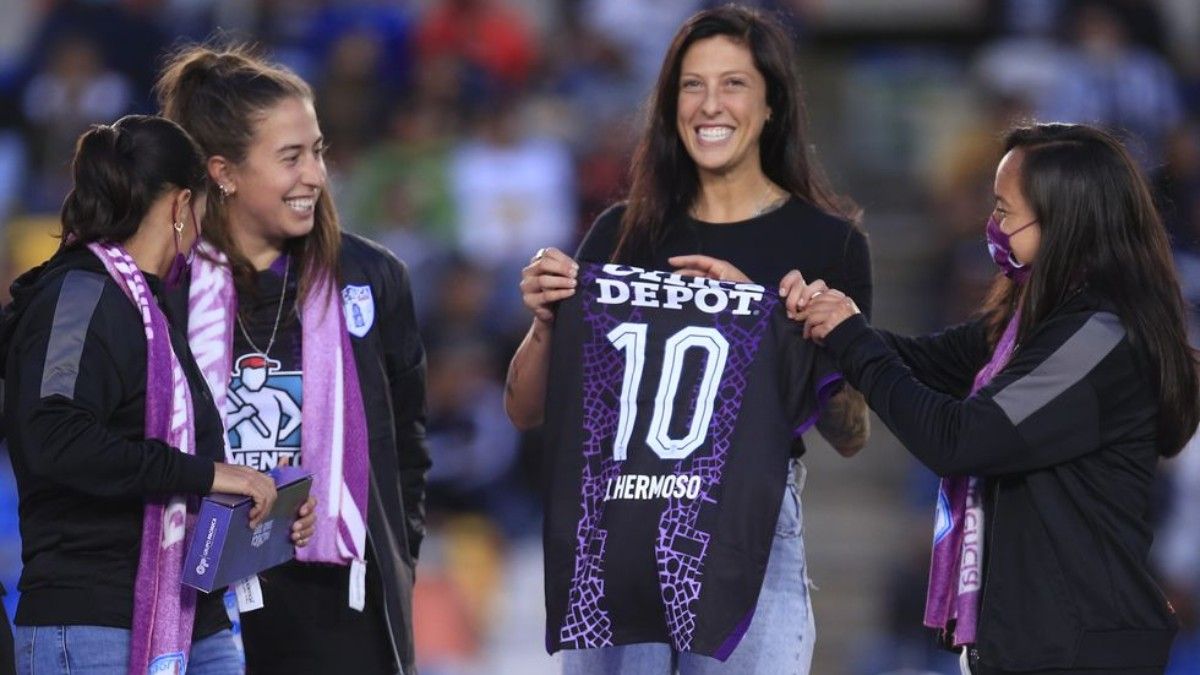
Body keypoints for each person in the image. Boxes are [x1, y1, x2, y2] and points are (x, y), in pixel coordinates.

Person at [504, 6, 871, 673]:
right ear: (670, 103)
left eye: (733, 84)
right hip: (620, 511)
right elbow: (525, 409)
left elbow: (850, 432)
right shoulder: (619, 233)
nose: (710, 104)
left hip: (747, 519)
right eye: (691, 85)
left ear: (771, 105)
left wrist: (768, 329)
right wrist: (545, 322)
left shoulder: (830, 245)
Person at [793, 123, 1198, 674]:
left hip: (1081, 650)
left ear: (1062, 222)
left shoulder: (1099, 338)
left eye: (1005, 211)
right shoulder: (1032, 322)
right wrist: (804, 319)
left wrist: (850, 337)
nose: (992, 226)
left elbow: (960, 441)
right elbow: (922, 360)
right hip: (1030, 644)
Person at [0, 115, 313, 674]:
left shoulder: (154, 310)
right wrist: (210, 474)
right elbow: (56, 437)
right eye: (199, 213)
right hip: (98, 621)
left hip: (196, 618)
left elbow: (175, 468)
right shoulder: (75, 298)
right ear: (178, 206)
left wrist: (263, 513)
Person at [155, 45, 430, 675]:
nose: (315, 175)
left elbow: (408, 442)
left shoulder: (371, 277)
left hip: (344, 607)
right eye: (291, 157)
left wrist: (396, 554)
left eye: (318, 151)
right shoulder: (165, 289)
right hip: (204, 602)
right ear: (223, 172)